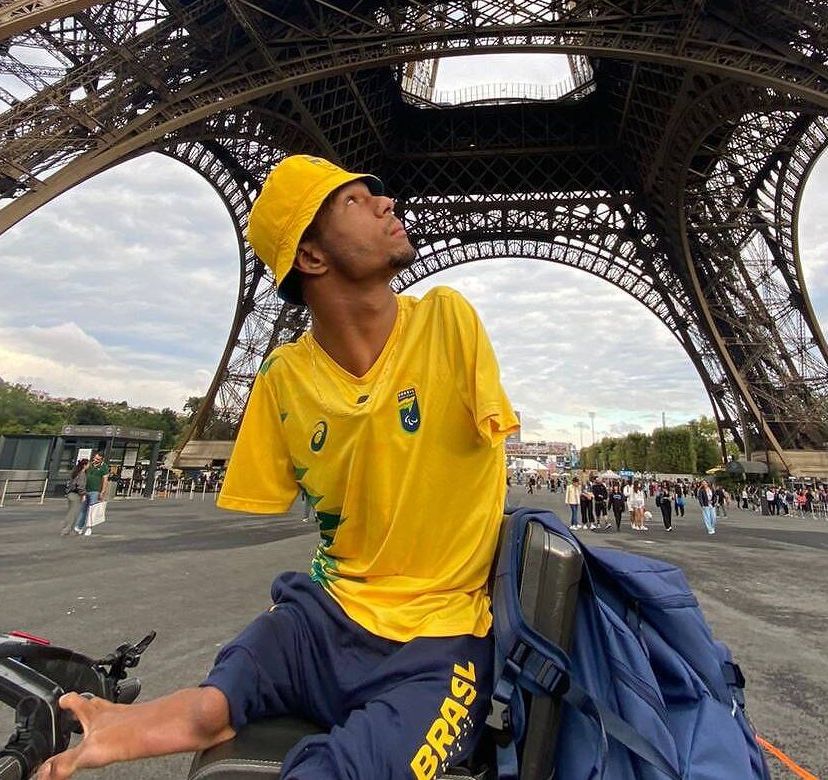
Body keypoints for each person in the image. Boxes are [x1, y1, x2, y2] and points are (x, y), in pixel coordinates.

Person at [37, 155, 519, 780]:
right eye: (353, 201)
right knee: (223, 695)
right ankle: (123, 725)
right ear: (312, 258)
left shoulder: (449, 322)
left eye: (376, 192)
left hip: (439, 642)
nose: (386, 202)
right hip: (323, 619)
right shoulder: (281, 380)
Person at [74, 451, 109, 537]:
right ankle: (79, 526)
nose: (95, 460)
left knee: (92, 509)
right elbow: (82, 473)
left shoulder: (104, 467)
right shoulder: (90, 464)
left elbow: (105, 480)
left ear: (102, 459)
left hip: (95, 490)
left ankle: (89, 527)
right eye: (95, 458)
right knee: (83, 509)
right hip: (86, 490)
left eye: (98, 459)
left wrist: (102, 492)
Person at [61, 458, 88, 536]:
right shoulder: (82, 474)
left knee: (70, 512)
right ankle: (67, 530)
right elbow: (80, 486)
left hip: (70, 494)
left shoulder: (75, 472)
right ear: (84, 465)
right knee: (74, 513)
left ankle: (66, 529)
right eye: (88, 464)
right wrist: (83, 495)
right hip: (76, 495)